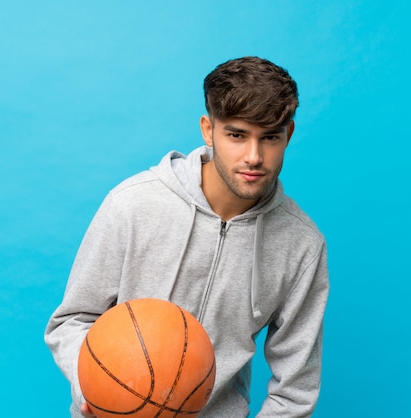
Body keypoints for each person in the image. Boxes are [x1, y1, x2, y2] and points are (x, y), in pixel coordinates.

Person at [45, 56, 330, 417]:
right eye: (237, 135)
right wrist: (96, 386)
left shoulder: (301, 244)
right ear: (208, 130)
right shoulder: (133, 204)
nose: (254, 157)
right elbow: (72, 320)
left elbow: (296, 389)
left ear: (288, 134)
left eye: (270, 137)